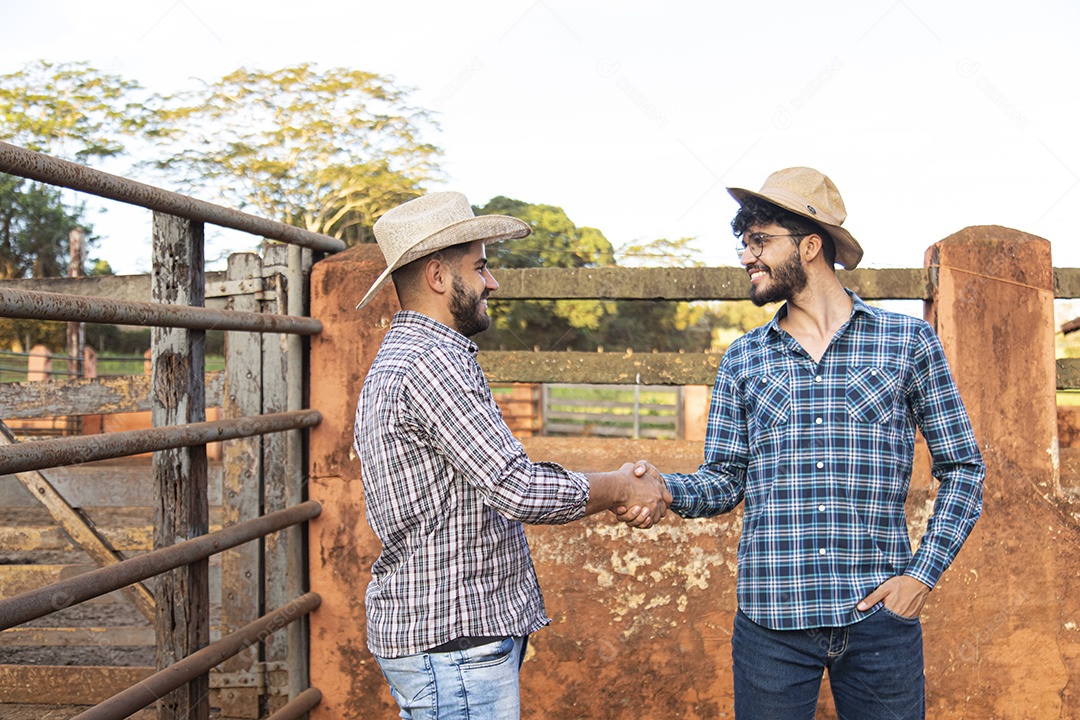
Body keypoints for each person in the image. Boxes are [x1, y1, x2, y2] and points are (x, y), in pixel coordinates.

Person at [625, 167, 985, 718]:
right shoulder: (744, 359)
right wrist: (664, 490)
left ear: (811, 246)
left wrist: (921, 576)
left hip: (878, 622)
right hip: (771, 627)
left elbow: (963, 467)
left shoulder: (906, 342)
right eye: (744, 243)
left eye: (760, 241)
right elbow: (724, 479)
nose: (747, 257)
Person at [353, 190, 672, 719]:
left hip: (449, 641)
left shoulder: (412, 356)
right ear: (438, 277)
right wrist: (622, 486)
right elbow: (518, 488)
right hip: (453, 645)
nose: (491, 282)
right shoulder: (432, 362)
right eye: (480, 267)